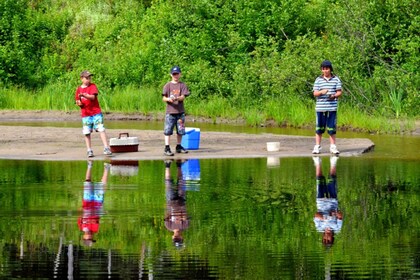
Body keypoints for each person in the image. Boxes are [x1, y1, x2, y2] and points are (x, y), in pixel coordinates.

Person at [75, 70, 112, 157]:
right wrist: (79, 103)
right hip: (86, 114)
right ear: (81, 79)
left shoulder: (93, 86)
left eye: (89, 78)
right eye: (86, 78)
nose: (88, 80)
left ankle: (106, 148)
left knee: (101, 129)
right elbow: (77, 101)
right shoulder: (78, 89)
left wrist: (84, 95)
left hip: (96, 112)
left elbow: (92, 97)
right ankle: (89, 150)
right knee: (87, 132)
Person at [312, 60, 342, 154]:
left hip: (332, 108)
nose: (325, 71)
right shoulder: (318, 80)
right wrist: (321, 92)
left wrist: (334, 96)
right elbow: (315, 93)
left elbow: (339, 92)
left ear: (330, 69)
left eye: (327, 69)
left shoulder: (336, 79)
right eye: (323, 69)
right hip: (320, 108)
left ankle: (333, 147)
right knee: (319, 128)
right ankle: (317, 147)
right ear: (321, 69)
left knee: (331, 128)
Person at [312, 156, 343, 247]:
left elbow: (316, 215)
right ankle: (333, 161)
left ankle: (318, 162)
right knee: (332, 179)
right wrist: (334, 213)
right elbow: (341, 216)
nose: (326, 237)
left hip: (321, 202)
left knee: (319, 179)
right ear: (332, 238)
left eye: (324, 239)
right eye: (328, 240)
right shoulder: (337, 228)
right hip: (333, 201)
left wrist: (324, 218)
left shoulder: (319, 228)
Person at [77, 160, 109, 246]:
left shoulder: (81, 226)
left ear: (84, 237)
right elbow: (97, 218)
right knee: (101, 187)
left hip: (87, 202)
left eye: (89, 238)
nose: (91, 236)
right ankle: (106, 168)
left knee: (88, 183)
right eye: (92, 238)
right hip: (97, 204)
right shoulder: (95, 229)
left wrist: (80, 210)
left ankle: (89, 166)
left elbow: (79, 215)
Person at [162, 66, 190, 156]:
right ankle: (167, 147)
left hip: (180, 111)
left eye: (177, 74)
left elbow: (183, 97)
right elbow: (163, 97)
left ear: (180, 74)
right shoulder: (167, 85)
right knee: (168, 130)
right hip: (170, 112)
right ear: (171, 74)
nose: (176, 75)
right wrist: (168, 99)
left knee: (180, 130)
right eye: (174, 74)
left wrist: (177, 98)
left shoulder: (182, 85)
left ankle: (178, 146)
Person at [164, 159, 190, 247]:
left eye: (176, 238)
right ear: (182, 238)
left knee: (168, 183)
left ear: (172, 237)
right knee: (181, 181)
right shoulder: (185, 226)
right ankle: (179, 165)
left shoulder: (169, 226)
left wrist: (178, 215)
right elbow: (186, 215)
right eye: (178, 238)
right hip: (182, 201)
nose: (177, 236)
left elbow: (166, 215)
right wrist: (181, 217)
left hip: (170, 202)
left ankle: (167, 165)